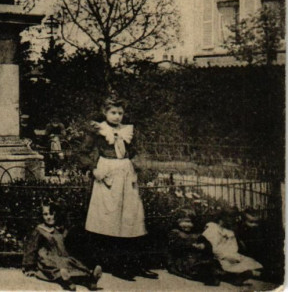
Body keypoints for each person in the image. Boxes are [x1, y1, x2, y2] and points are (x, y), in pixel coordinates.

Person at [79, 96, 157, 281]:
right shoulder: (98, 129)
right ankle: (117, 266)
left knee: (131, 217)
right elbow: (83, 152)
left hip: (126, 172)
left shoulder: (128, 130)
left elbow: (136, 151)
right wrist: (94, 169)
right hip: (107, 173)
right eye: (113, 112)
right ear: (105, 112)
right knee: (110, 218)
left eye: (120, 113)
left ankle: (136, 264)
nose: (117, 116)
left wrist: (138, 165)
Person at [22, 202, 102, 291]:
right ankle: (66, 282)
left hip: (62, 257)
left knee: (72, 264)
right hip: (47, 258)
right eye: (45, 214)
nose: (49, 217)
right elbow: (31, 248)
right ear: (41, 216)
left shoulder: (59, 229)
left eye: (51, 214)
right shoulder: (39, 230)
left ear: (56, 215)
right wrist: (29, 267)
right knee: (55, 268)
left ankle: (90, 279)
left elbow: (67, 244)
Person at [202, 210, 262, 285]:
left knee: (246, 262)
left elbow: (233, 247)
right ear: (222, 219)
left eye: (233, 218)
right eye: (230, 218)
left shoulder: (230, 232)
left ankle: (237, 276)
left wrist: (233, 254)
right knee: (225, 265)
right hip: (217, 255)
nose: (232, 220)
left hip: (228, 254)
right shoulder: (213, 228)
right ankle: (231, 277)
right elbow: (213, 246)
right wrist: (226, 255)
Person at [166, 209, 222, 286]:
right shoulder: (175, 233)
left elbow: (207, 243)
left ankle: (227, 276)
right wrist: (190, 246)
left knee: (213, 264)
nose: (189, 224)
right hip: (182, 259)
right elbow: (175, 247)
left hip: (197, 258)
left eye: (190, 222)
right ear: (177, 222)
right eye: (185, 221)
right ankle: (209, 277)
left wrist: (204, 246)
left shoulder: (195, 234)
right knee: (195, 269)